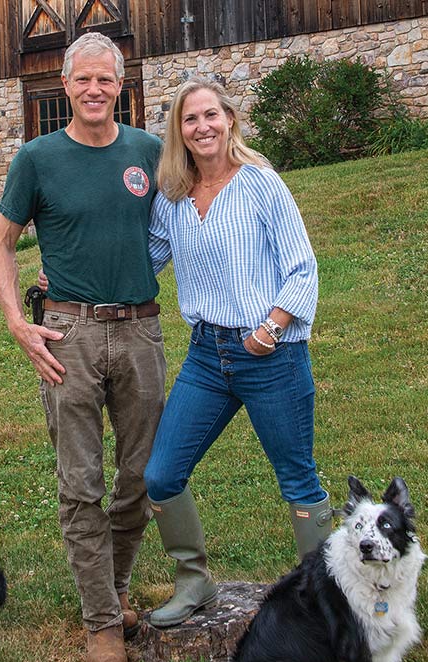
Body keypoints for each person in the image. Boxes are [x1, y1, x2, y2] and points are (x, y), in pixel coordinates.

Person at [0, 32, 166, 662]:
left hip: (142, 333)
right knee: (80, 483)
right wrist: (18, 323)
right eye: (83, 79)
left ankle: (113, 590)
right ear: (65, 86)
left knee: (141, 478)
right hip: (71, 337)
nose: (95, 90)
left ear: (122, 86)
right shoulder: (37, 158)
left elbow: (195, 214)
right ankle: (100, 622)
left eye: (106, 80)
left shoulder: (148, 152)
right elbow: (0, 244)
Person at [142, 76, 331, 628]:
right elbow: (145, 260)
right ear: (179, 131)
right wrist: (72, 277)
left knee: (297, 478)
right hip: (207, 356)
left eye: (210, 116)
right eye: (189, 119)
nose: (202, 128)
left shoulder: (261, 184)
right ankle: (194, 583)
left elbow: (302, 267)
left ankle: (325, 599)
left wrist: (271, 326)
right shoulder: (173, 197)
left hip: (269, 354)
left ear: (229, 120)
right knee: (161, 474)